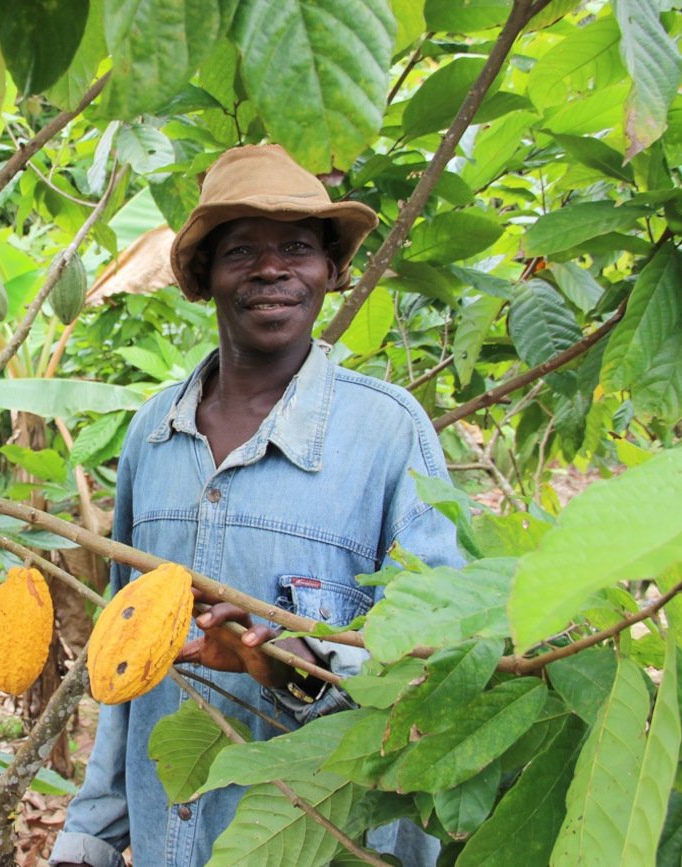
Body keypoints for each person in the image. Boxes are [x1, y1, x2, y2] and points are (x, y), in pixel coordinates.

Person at [48, 145, 464, 867]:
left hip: (322, 840)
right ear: (203, 277)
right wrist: (89, 835)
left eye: (297, 248)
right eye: (241, 250)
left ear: (330, 272)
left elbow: (440, 660)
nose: (271, 268)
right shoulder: (152, 435)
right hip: (166, 839)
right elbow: (124, 659)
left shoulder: (387, 433)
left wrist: (301, 666)